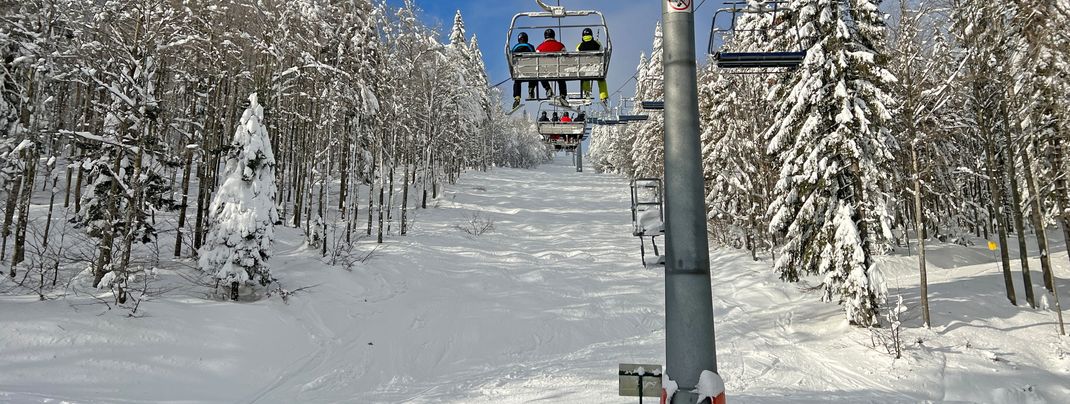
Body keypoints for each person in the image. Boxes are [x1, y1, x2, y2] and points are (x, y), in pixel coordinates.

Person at [576, 28, 609, 103]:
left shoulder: (579, 46)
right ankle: (603, 96)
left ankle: (587, 93)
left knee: (585, 78)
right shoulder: (597, 44)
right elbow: (602, 53)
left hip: (585, 69)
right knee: (601, 79)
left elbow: (577, 57)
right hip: (596, 68)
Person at [537, 29, 567, 103]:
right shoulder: (560, 45)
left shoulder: (539, 47)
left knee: (540, 73)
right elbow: (565, 58)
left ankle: (548, 89)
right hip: (557, 70)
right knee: (561, 78)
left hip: (545, 70)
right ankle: (563, 95)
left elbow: (537, 61)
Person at [510, 32, 537, 109]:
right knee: (534, 76)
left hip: (519, 70)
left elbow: (511, 58)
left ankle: (517, 97)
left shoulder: (515, 47)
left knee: (517, 81)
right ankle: (531, 89)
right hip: (529, 69)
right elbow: (535, 57)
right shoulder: (530, 46)